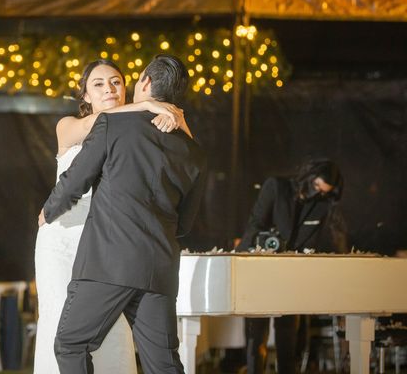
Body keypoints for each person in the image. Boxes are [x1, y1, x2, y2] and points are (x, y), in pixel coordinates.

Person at [39, 55, 207, 374]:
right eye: (98, 84)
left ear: (139, 84)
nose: (109, 89)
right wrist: (169, 116)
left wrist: (48, 210)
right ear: (85, 95)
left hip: (105, 255)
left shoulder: (115, 124)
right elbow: (185, 223)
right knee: (163, 362)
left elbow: (76, 179)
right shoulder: (192, 149)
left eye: (116, 82)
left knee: (71, 345)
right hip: (149, 262)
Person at [236, 159, 347, 374]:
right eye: (316, 187)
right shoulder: (277, 187)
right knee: (256, 335)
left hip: (291, 276)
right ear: (310, 177)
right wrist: (250, 253)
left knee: (288, 337)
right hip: (261, 270)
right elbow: (255, 223)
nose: (318, 194)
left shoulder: (322, 205)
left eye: (323, 192)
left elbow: (320, 239)